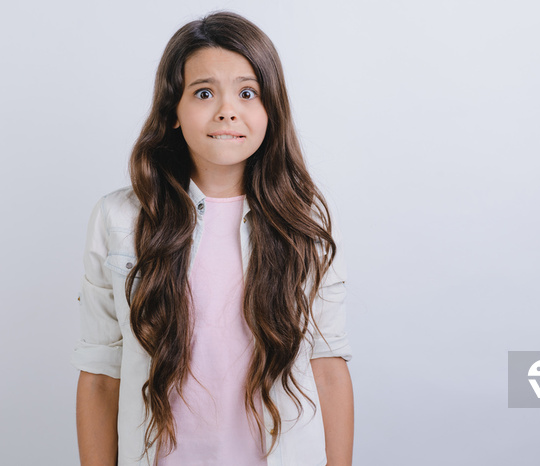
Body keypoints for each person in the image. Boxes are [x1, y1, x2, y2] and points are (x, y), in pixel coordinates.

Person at [71, 10, 354, 466]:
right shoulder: (118, 218)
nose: (227, 109)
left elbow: (328, 365)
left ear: (270, 110)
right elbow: (102, 373)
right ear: (174, 112)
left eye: (248, 92)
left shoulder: (308, 219)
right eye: (204, 92)